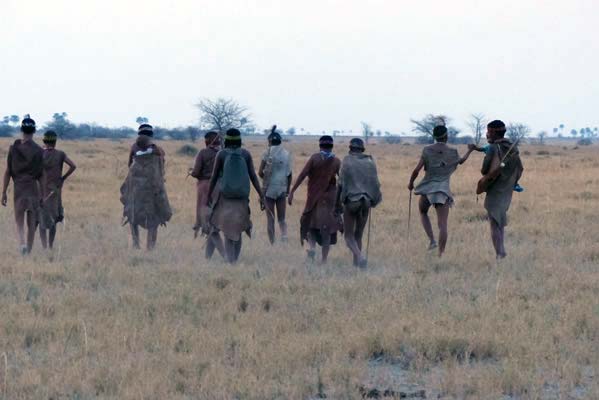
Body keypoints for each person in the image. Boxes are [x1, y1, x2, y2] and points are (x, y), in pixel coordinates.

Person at [407, 126, 475, 257]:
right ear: (446, 136)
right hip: (442, 191)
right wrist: (470, 151)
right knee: (443, 225)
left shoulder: (427, 150)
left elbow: (416, 170)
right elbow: (461, 161)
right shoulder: (453, 151)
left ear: (434, 136)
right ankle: (440, 254)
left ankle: (432, 240)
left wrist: (411, 183)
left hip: (427, 188)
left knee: (422, 211)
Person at [207, 128, 263, 263]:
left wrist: (208, 195)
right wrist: (262, 195)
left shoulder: (221, 154)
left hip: (225, 198)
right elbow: (253, 176)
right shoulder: (245, 154)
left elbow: (214, 177)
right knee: (238, 230)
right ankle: (234, 261)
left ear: (226, 140)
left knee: (227, 230)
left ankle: (229, 262)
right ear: (240, 140)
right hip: (242, 199)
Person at [288, 135, 341, 263]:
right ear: (331, 146)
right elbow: (343, 181)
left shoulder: (314, 158)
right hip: (330, 200)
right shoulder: (337, 161)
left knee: (310, 225)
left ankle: (311, 247)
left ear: (320, 146)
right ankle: (324, 260)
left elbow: (302, 175)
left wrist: (292, 191)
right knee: (327, 230)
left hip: (313, 199)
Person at [120, 124, 172, 250]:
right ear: (152, 136)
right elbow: (162, 168)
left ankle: (135, 243)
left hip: (135, 188)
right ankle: (150, 248)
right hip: (152, 188)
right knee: (153, 218)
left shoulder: (133, 147)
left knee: (133, 214)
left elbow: (129, 165)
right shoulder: (158, 150)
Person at [478, 120, 524, 259]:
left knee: (494, 223)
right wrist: (513, 182)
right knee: (500, 222)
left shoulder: (493, 148)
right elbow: (520, 168)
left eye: (488, 131)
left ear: (492, 132)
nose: (486, 134)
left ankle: (499, 253)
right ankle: (501, 250)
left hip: (495, 189)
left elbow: (484, 169)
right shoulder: (512, 147)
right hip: (507, 189)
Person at [336, 138, 382, 268]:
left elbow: (340, 185)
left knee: (349, 236)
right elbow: (375, 184)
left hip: (352, 202)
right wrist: (373, 200)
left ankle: (360, 258)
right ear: (362, 149)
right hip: (366, 202)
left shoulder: (347, 161)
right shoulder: (370, 162)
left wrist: (336, 205)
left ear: (350, 149)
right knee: (359, 235)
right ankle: (356, 266)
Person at [1, 115, 44, 255]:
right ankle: (29, 253)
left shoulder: (14, 148)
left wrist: (3, 192)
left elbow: (8, 172)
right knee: (31, 224)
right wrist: (42, 194)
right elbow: (42, 175)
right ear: (34, 131)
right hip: (32, 188)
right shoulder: (39, 151)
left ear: (21, 130)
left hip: (19, 188)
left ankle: (22, 244)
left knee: (19, 221)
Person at [39, 130, 77, 249]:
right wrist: (63, 178)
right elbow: (73, 166)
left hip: (42, 190)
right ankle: (50, 246)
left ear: (45, 141)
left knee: (42, 220)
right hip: (55, 190)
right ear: (55, 142)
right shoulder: (60, 154)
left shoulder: (40, 154)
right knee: (53, 219)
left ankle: (44, 247)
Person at [190, 131, 225, 259]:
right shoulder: (224, 153)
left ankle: (225, 256)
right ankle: (208, 258)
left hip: (206, 188)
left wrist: (192, 172)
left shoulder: (203, 153)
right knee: (214, 223)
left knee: (209, 224)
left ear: (207, 141)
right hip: (222, 188)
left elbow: (196, 172)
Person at [258, 128, 293, 244]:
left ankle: (272, 243)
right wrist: (287, 190)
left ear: (269, 141)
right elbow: (289, 174)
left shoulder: (266, 152)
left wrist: (267, 181)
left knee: (270, 219)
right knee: (282, 219)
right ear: (280, 141)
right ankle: (284, 236)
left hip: (269, 190)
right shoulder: (286, 154)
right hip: (282, 188)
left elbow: (260, 172)